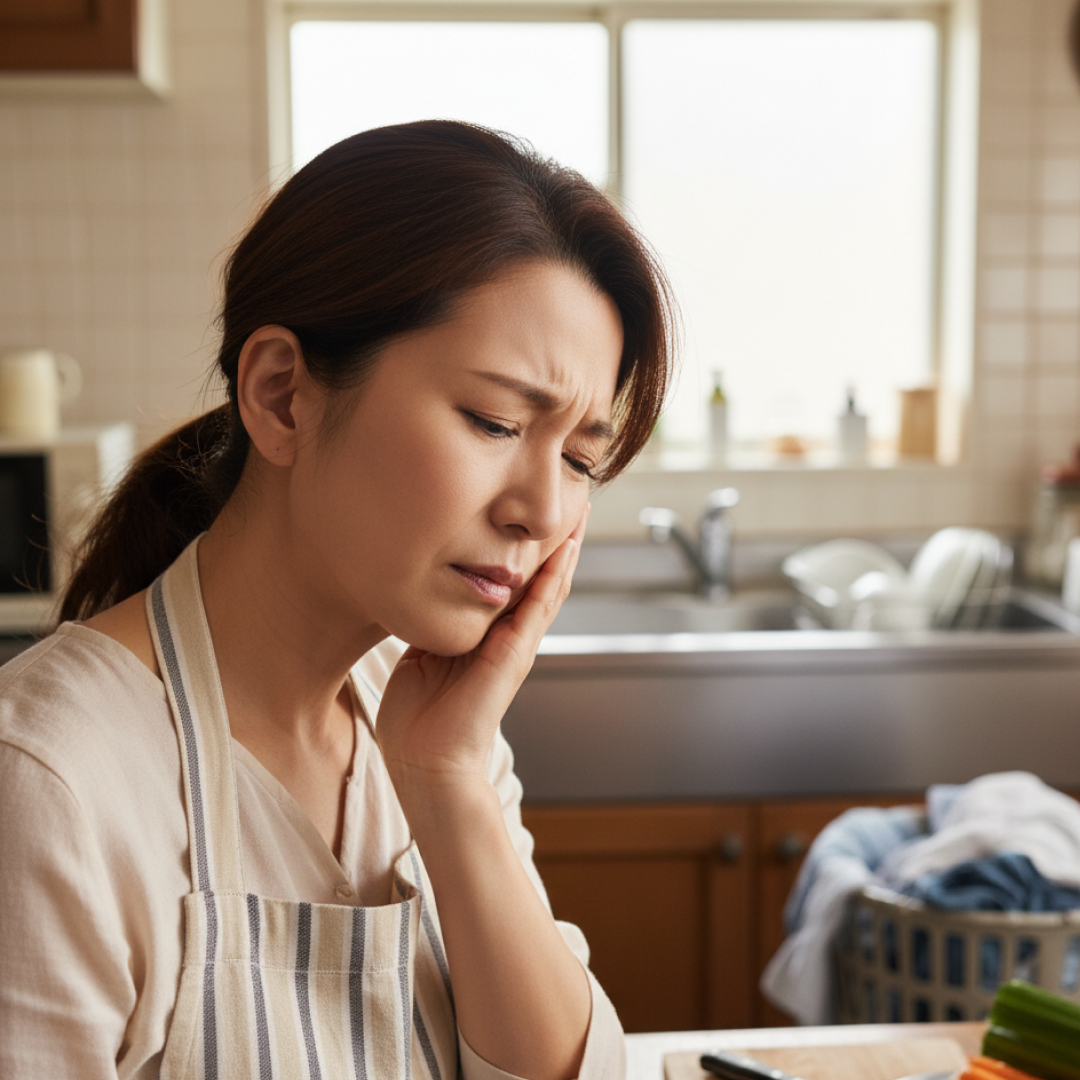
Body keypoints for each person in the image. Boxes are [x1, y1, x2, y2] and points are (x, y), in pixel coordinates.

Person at [0, 120, 673, 1080]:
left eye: (579, 459)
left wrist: (449, 786)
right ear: (281, 395)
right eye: (493, 421)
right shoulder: (46, 783)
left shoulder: (435, 722)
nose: (542, 511)